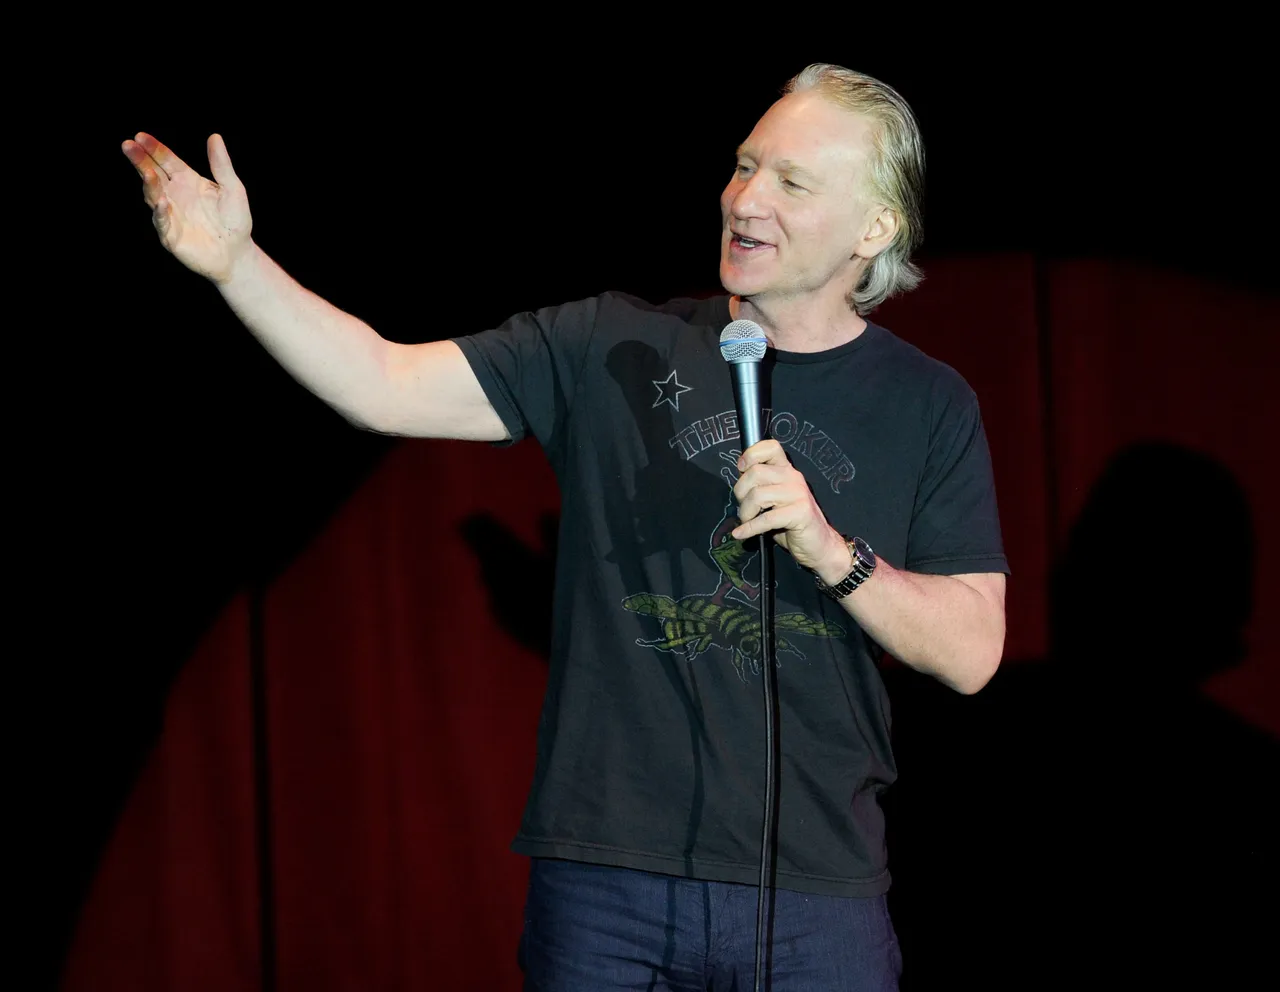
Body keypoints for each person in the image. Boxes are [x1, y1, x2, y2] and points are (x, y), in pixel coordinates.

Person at [123, 63, 1008, 991]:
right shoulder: (608, 344)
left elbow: (972, 650)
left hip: (814, 897)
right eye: (745, 166)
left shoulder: (928, 404)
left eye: (792, 181)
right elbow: (380, 382)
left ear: (875, 227)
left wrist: (833, 552)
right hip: (607, 885)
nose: (747, 198)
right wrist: (237, 265)